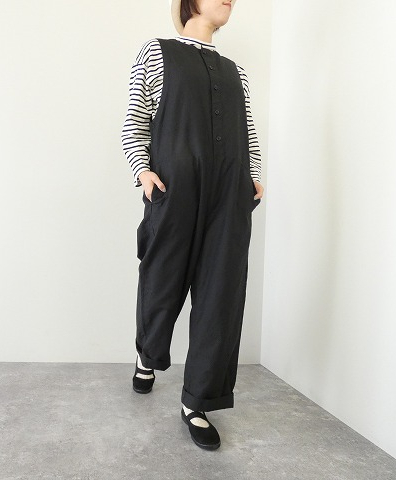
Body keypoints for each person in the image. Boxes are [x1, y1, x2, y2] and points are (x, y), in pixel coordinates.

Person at [121, 0, 264, 450]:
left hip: (229, 197)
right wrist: (143, 172)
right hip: (174, 191)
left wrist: (253, 176)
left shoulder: (236, 72)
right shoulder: (157, 52)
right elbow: (134, 122)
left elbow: (249, 133)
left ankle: (197, 402)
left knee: (221, 295)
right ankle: (148, 354)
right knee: (162, 283)